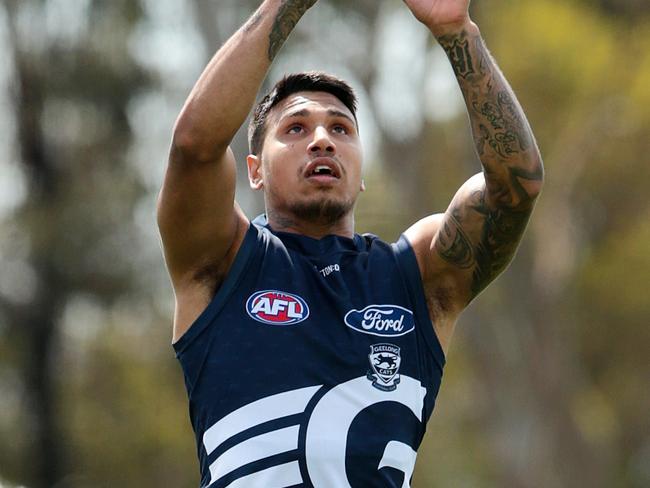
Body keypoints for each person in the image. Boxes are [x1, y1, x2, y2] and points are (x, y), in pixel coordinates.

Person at [157, 0, 544, 486]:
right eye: (295, 128)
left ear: (360, 170)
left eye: (341, 128)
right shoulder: (222, 260)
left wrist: (457, 32)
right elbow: (194, 146)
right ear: (254, 171)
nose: (322, 140)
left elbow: (515, 190)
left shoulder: (415, 275)